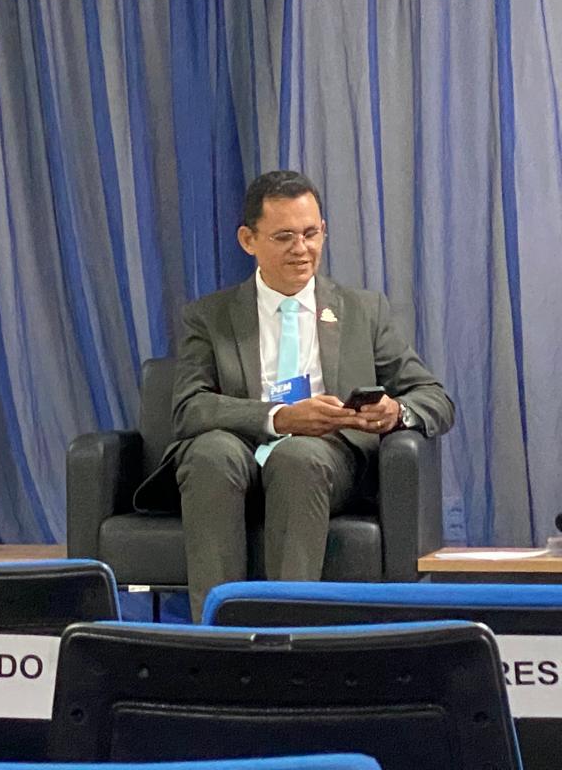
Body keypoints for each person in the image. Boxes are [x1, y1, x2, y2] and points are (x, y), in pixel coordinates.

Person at [133, 170, 455, 621]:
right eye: (284, 236)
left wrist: (395, 412)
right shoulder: (210, 317)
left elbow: (435, 398)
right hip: (235, 455)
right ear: (249, 240)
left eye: (311, 233)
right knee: (210, 452)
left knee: (298, 458)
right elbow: (190, 409)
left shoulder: (363, 312)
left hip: (324, 462)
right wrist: (281, 417)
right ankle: (216, 637)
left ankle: (285, 637)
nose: (301, 249)